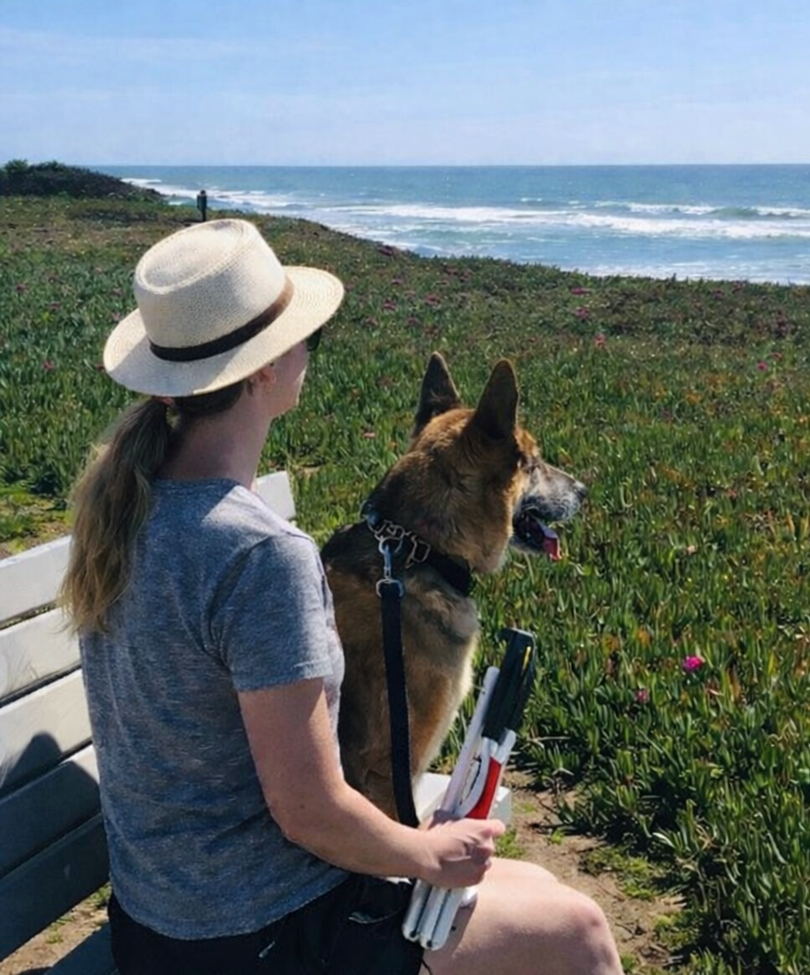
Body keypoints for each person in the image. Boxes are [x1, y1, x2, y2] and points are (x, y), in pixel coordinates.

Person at [61, 218, 623, 975]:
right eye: (302, 338)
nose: (308, 351)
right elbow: (310, 811)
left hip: (162, 920)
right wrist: (425, 852)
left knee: (537, 884)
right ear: (262, 371)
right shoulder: (260, 554)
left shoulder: (130, 511)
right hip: (256, 933)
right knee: (580, 927)